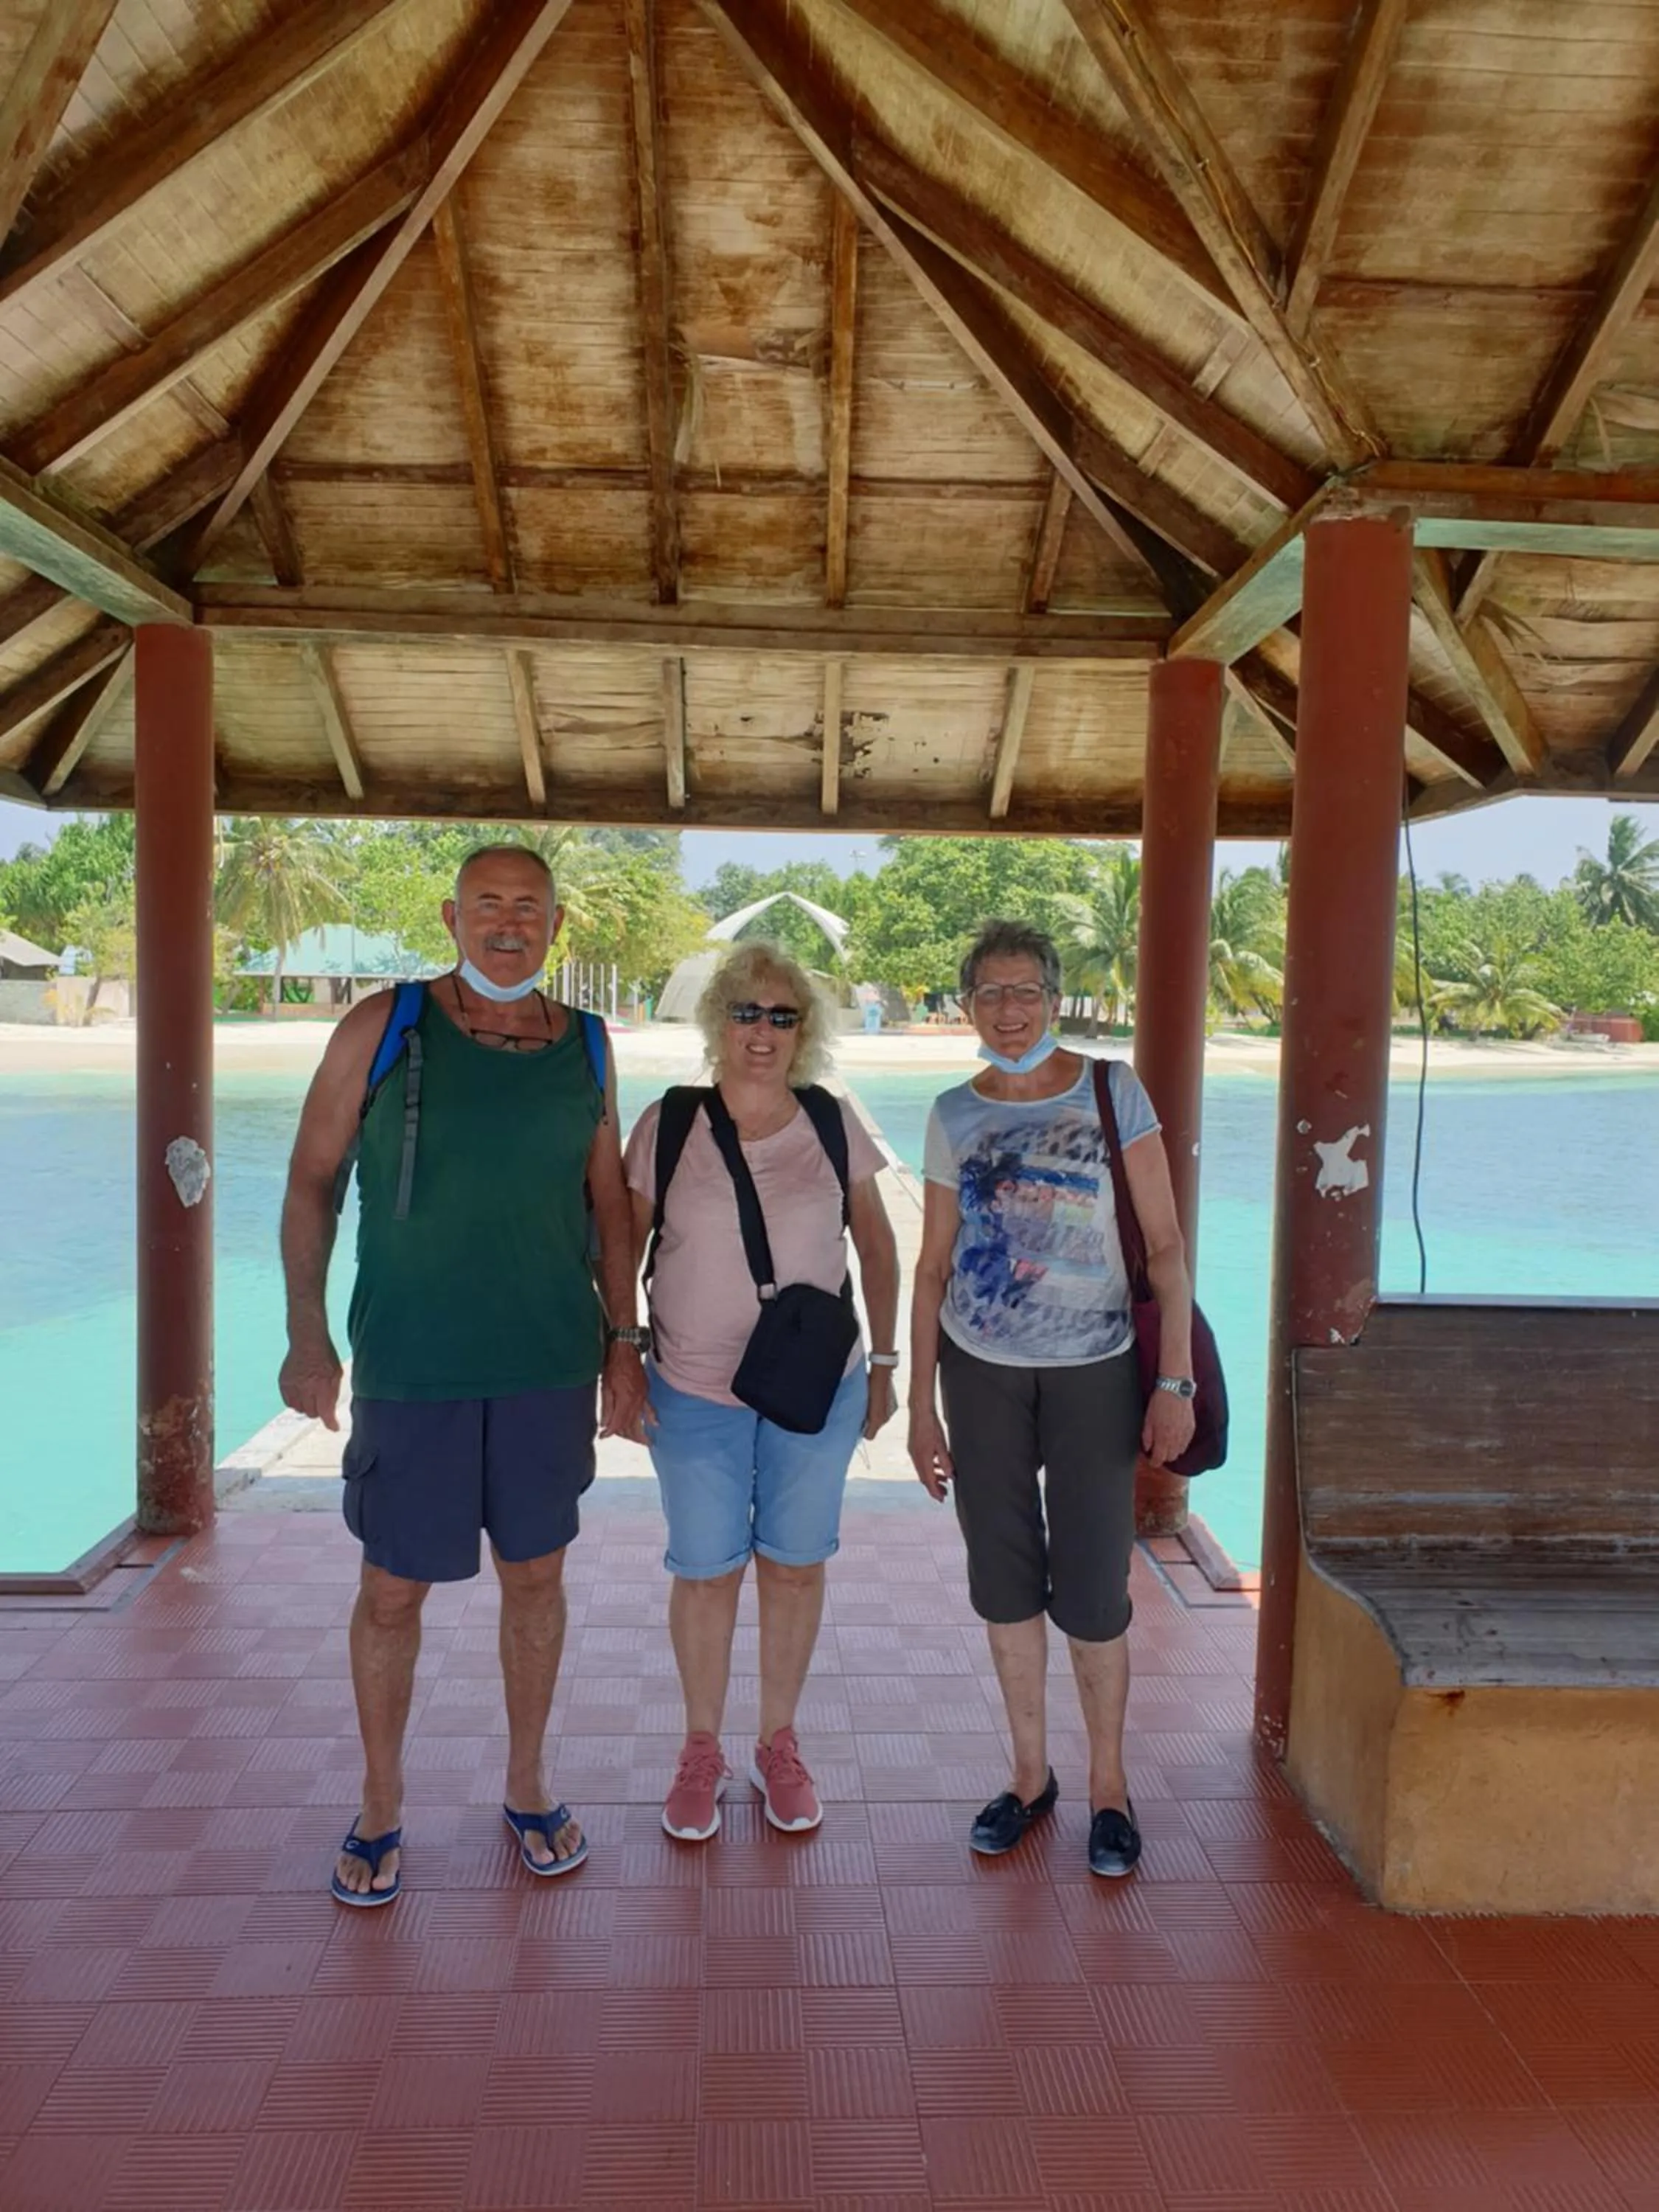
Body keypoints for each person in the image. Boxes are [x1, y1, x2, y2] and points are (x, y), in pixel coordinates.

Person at [279, 844, 648, 1906]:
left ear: (554, 925)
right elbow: (310, 1184)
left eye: (527, 908)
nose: (506, 923)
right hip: (413, 1364)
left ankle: (528, 1786)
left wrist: (623, 1345)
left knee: (536, 1579)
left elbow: (611, 1205)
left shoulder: (584, 1043)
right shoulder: (382, 1026)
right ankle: (382, 1804)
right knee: (392, 1590)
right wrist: (309, 1333)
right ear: (450, 915)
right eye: (487, 903)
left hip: (545, 1364)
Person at [908, 919, 1196, 1878]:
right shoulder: (952, 1111)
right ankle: (1029, 1776)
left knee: (1093, 1590)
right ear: (965, 1008)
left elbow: (1161, 1247)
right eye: (988, 993)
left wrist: (1174, 1379)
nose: (1008, 1008)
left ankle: (1108, 1788)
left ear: (1055, 994)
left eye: (1024, 989)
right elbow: (930, 1265)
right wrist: (917, 1404)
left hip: (1096, 1368)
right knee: (1001, 1581)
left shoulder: (1111, 1089)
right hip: (979, 1366)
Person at [624, 942, 900, 1841]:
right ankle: (699, 1749)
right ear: (718, 1022)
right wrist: (618, 1358)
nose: (764, 1032)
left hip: (814, 1390)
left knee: (793, 1567)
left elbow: (880, 1245)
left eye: (785, 1017)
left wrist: (889, 1365)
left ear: (805, 1033)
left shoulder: (831, 1120)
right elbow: (621, 1252)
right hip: (694, 1388)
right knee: (705, 1573)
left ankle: (778, 1743)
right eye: (747, 1012)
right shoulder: (667, 1124)